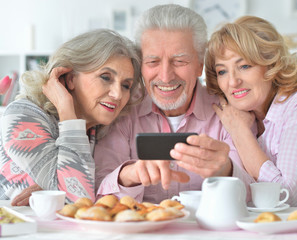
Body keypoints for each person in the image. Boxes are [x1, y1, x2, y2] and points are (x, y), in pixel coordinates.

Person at [94, 4, 254, 203]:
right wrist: (130, 176)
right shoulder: (123, 110)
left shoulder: (228, 112)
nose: (165, 76)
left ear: (199, 65)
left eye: (179, 61)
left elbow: (252, 196)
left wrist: (226, 171)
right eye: (152, 62)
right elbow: (99, 192)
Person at [0, 29, 144, 205]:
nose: (118, 94)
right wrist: (67, 111)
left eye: (126, 85)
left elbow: (82, 197)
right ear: (70, 78)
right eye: (105, 77)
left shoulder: (95, 130)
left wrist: (54, 191)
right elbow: (80, 199)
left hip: (51, 228)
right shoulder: (21, 116)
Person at [205, 16, 297, 206]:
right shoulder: (240, 113)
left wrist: (240, 132)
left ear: (272, 65)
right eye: (222, 71)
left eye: (244, 66)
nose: (232, 81)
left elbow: (285, 196)